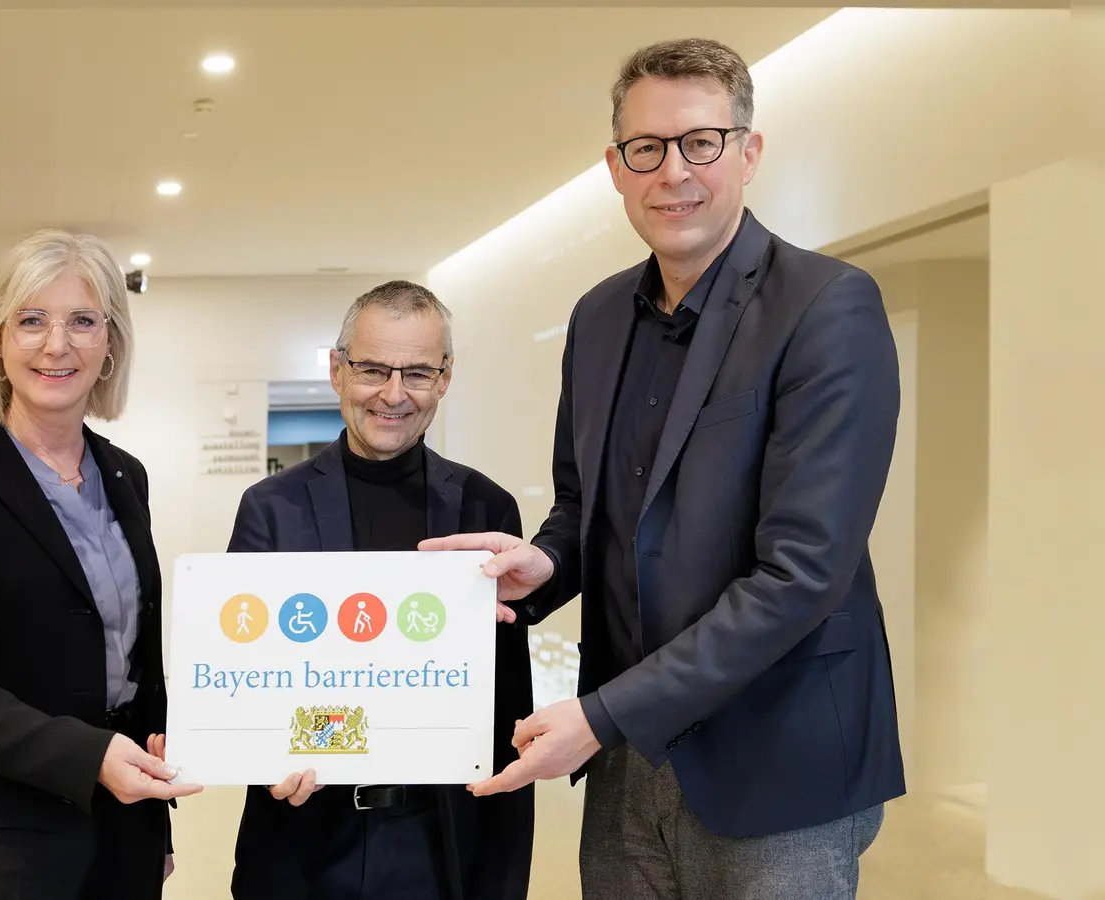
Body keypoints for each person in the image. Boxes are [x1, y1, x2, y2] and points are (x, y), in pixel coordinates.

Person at [422, 38, 905, 899]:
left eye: (701, 142)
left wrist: (604, 716)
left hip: (775, 758)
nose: (673, 172)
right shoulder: (599, 316)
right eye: (646, 148)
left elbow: (801, 574)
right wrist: (545, 566)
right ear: (616, 168)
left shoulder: (826, 307)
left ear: (748, 153)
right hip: (626, 762)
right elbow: (584, 507)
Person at [0, 229, 201, 900]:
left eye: (83, 321)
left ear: (110, 343)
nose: (57, 345)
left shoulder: (126, 477)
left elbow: (137, 666)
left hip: (121, 825)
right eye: (32, 320)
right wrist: (88, 756)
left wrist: (156, 827)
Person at [227, 280, 534, 900]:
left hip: (440, 839)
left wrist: (502, 870)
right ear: (337, 370)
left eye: (417, 373)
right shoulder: (271, 508)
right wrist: (264, 757)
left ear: (445, 378)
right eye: (372, 369)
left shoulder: (485, 507)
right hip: (305, 837)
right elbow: (243, 676)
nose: (394, 394)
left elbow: (505, 697)